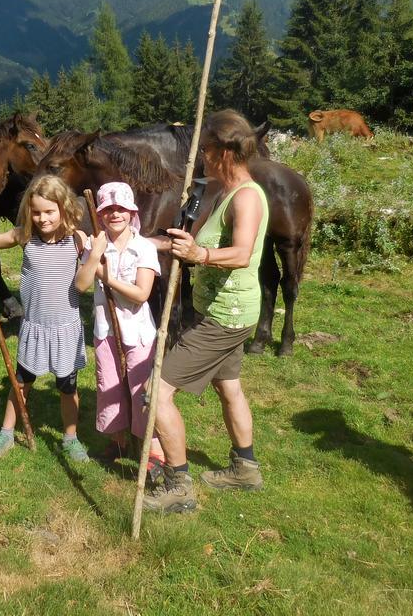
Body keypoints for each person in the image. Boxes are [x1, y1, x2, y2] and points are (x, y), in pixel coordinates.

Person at [142, 109, 270, 514]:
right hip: (223, 309)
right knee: (227, 386)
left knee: (156, 391)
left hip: (226, 315)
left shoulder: (247, 195)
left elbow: (242, 252)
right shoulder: (222, 192)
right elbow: (188, 243)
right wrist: (150, 243)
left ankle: (179, 485)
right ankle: (245, 468)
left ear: (224, 153)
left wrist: (202, 254)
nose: (200, 159)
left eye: (205, 151)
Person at [0, 176, 93, 463]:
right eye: (36, 212)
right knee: (21, 383)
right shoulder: (25, 236)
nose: (42, 218)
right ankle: (6, 432)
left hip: (65, 328)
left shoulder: (77, 239)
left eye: (49, 212)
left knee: (68, 386)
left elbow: (89, 278)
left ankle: (71, 437)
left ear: (63, 207)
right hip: (35, 327)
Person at [75, 181, 165, 464]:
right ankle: (119, 441)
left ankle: (153, 451)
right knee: (108, 385)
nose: (115, 214)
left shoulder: (144, 248)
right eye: (109, 209)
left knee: (141, 391)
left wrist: (109, 278)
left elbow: (141, 294)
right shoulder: (96, 245)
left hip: (137, 332)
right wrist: (91, 254)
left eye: (121, 209)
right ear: (100, 214)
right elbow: (81, 284)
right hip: (106, 330)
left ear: (131, 212)